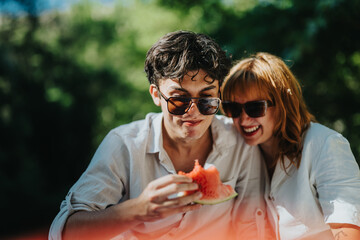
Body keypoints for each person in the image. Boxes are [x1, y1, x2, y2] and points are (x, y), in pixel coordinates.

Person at [49, 31, 268, 240]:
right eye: (179, 99)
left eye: (206, 99)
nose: (193, 111)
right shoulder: (124, 144)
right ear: (156, 95)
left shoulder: (241, 142)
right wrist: (138, 210)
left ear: (219, 94)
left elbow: (249, 224)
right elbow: (63, 232)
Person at [221, 52, 360, 240]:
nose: (244, 118)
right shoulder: (240, 152)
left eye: (255, 108)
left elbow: (347, 227)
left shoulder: (324, 143)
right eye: (234, 109)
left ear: (283, 104)